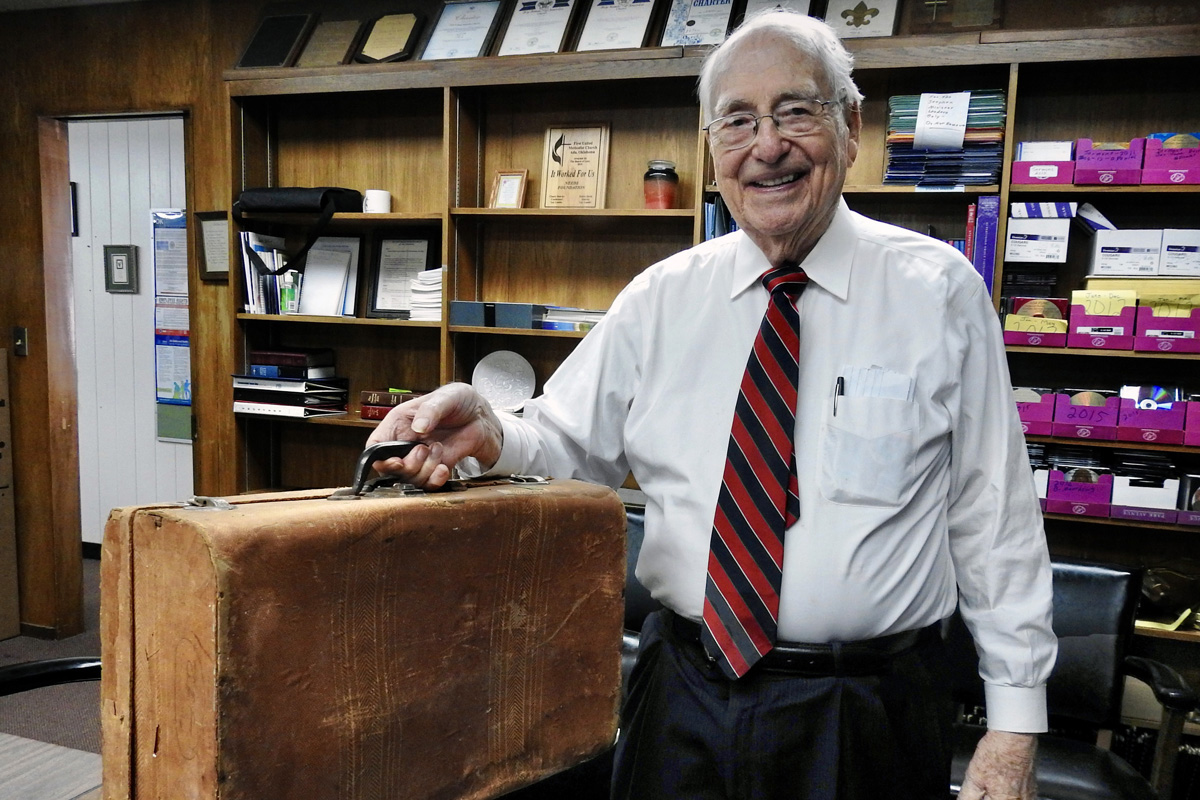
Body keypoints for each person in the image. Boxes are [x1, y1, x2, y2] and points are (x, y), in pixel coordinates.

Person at [369, 10, 1056, 800]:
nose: (767, 147)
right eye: (737, 120)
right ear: (711, 147)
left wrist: (1012, 729)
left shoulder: (939, 292)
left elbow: (993, 515)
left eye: (796, 111)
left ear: (853, 125)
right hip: (680, 698)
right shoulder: (661, 298)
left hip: (860, 712)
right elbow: (562, 442)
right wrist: (492, 429)